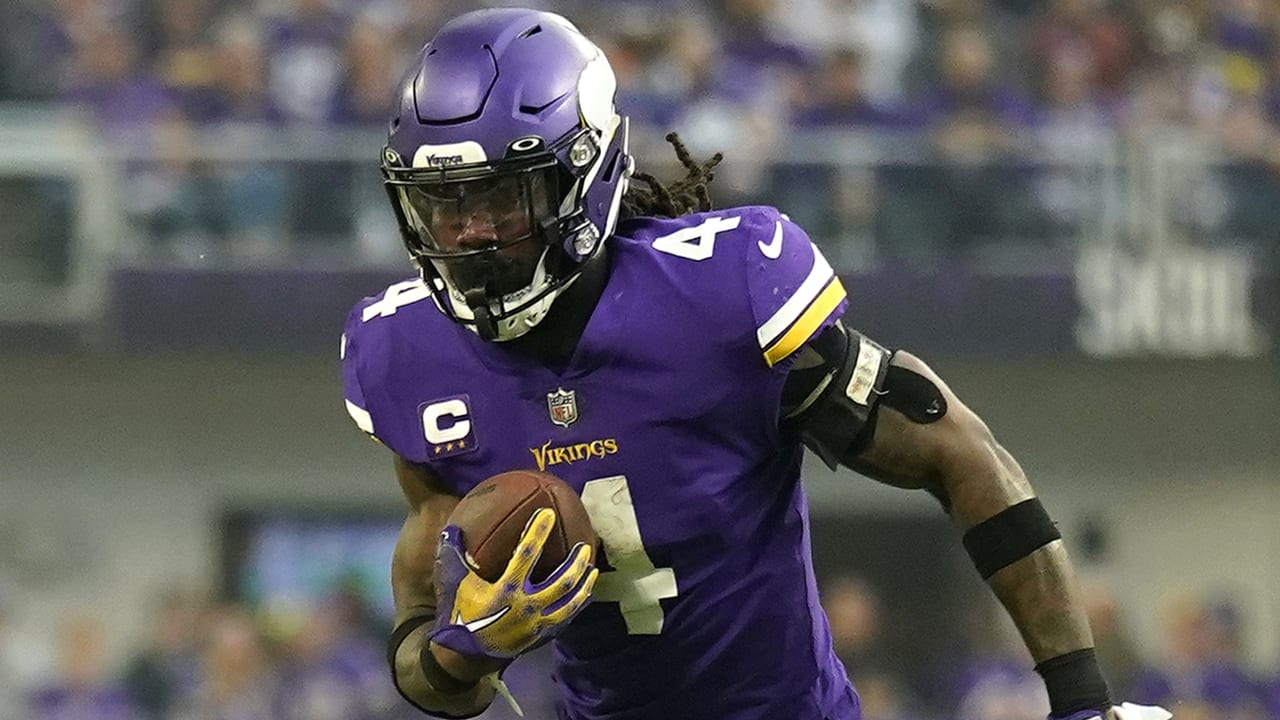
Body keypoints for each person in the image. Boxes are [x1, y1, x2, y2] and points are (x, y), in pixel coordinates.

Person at [339, 8, 1173, 720]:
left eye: (497, 198)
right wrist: (460, 652)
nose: (472, 235)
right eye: (443, 205)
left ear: (581, 174)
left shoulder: (719, 293)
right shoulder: (406, 354)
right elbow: (427, 650)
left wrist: (1082, 697)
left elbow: (956, 450)